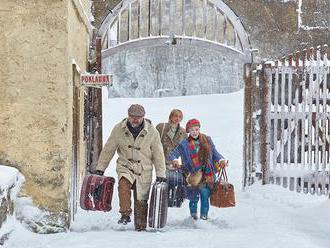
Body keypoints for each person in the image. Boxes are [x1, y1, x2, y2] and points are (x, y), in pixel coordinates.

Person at [94, 104, 166, 231]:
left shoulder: (152, 132)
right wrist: (101, 167)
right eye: (132, 117)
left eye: (138, 117)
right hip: (125, 166)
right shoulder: (118, 129)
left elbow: (158, 154)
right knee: (123, 186)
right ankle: (125, 214)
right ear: (128, 116)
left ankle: (140, 227)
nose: (135, 120)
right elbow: (108, 149)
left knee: (141, 202)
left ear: (143, 117)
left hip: (144, 170)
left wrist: (161, 174)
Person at [168, 119, 228, 220]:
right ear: (188, 131)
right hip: (192, 176)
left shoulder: (207, 140)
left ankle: (204, 217)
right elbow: (173, 154)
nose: (195, 132)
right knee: (193, 198)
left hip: (206, 175)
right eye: (192, 130)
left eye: (196, 129)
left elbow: (215, 153)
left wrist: (221, 160)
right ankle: (193, 217)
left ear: (199, 129)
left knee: (205, 195)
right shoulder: (184, 144)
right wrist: (175, 160)